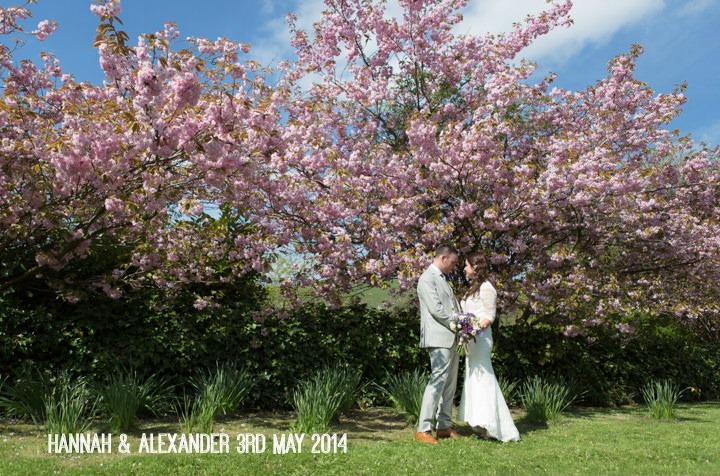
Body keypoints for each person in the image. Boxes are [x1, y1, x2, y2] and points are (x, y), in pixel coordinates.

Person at [457, 252, 520, 442]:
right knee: (473, 378)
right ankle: (479, 423)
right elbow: (468, 314)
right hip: (471, 341)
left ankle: (495, 425)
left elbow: (488, 317)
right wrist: (465, 331)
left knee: (484, 378)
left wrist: (474, 330)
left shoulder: (486, 288)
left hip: (481, 340)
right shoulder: (472, 289)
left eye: (467, 265)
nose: (464, 269)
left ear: (476, 267)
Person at [415, 244, 462, 445]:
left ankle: (444, 426)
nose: (454, 267)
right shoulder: (427, 278)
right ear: (443, 258)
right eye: (453, 263)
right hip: (438, 337)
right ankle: (423, 428)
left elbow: (451, 305)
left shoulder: (443, 279)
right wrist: (460, 322)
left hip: (451, 337)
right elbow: (436, 310)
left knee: (450, 384)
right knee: (437, 382)